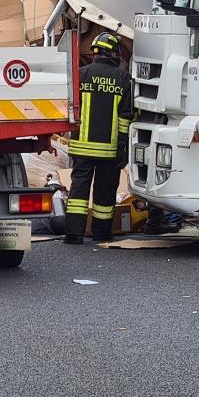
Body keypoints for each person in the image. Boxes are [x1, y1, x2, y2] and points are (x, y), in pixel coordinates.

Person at [64, 32, 132, 244]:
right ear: (113, 51)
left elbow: (70, 108)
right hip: (109, 150)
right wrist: (123, 148)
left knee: (78, 191)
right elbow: (125, 118)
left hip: (81, 147)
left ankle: (74, 234)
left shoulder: (81, 74)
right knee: (105, 193)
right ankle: (101, 233)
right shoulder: (122, 79)